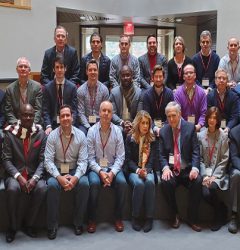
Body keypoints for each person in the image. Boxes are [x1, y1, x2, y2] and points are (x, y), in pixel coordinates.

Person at [2, 104, 47, 243]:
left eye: (31, 115)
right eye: (25, 115)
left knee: (41, 188)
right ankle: (13, 226)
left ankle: (29, 224)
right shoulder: (10, 133)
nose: (28, 117)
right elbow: (6, 159)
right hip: (15, 174)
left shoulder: (40, 133)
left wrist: (35, 178)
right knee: (12, 189)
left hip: (34, 173)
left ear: (34, 116)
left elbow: (43, 160)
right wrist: (18, 176)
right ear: (19, 117)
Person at [44, 105, 89, 239]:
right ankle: (52, 226)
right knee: (52, 186)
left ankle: (78, 223)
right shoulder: (52, 136)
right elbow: (48, 161)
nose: (65, 118)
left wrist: (75, 178)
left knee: (84, 184)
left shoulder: (81, 135)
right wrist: (59, 177)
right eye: (62, 116)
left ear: (72, 117)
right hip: (56, 170)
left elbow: (83, 161)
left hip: (74, 169)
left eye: (67, 115)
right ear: (59, 119)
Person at [159, 101, 202, 232]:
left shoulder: (190, 128)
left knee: (198, 181)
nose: (171, 119)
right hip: (172, 170)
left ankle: (192, 217)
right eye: (169, 116)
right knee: (165, 181)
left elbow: (196, 151)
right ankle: (175, 215)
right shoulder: (164, 130)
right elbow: (161, 155)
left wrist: (195, 168)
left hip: (187, 169)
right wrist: (165, 168)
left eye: (174, 115)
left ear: (180, 114)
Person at [87, 101, 127, 233]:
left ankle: (118, 217)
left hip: (112, 167)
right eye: (103, 110)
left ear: (112, 114)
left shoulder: (118, 131)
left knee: (122, 183)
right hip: (96, 167)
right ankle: (92, 218)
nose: (106, 113)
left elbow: (121, 157)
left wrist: (112, 173)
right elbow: (90, 158)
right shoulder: (91, 131)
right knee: (92, 183)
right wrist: (100, 172)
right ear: (99, 113)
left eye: (109, 111)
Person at [125, 110, 157, 232]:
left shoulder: (152, 139)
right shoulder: (130, 138)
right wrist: (138, 170)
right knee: (139, 184)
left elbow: (152, 159)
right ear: (138, 124)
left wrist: (147, 170)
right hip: (134, 171)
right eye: (142, 123)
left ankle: (149, 218)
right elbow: (128, 161)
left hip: (147, 169)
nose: (145, 126)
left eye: (147, 123)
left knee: (149, 182)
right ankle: (135, 216)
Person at [198, 107, 229, 231]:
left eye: (214, 118)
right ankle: (221, 208)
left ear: (218, 121)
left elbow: (224, 159)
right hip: (205, 172)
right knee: (205, 193)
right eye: (210, 117)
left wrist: (214, 176)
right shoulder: (200, 135)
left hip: (218, 173)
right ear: (207, 119)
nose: (211, 120)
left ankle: (218, 218)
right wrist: (205, 175)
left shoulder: (223, 136)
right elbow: (199, 158)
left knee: (211, 187)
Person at [43, 55, 78, 135]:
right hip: (53, 124)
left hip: (68, 121)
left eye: (61, 67)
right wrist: (48, 126)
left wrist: (71, 125)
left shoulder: (73, 88)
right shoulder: (47, 88)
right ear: (53, 69)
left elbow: (74, 110)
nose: (59, 70)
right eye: (57, 67)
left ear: (65, 69)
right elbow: (46, 111)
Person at [5, 57, 42, 125]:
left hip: (33, 123)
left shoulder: (37, 87)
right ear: (17, 70)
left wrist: (32, 124)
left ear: (29, 70)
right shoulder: (9, 89)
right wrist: (16, 123)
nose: (23, 69)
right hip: (16, 123)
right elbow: (8, 111)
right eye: (20, 66)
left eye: (25, 66)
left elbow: (38, 110)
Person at [77, 59, 109, 135]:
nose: (93, 72)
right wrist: (89, 127)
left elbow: (105, 112)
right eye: (90, 70)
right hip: (85, 124)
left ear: (98, 72)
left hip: (100, 123)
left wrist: (98, 126)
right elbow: (80, 113)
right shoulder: (80, 90)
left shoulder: (104, 90)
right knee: (81, 133)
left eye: (95, 70)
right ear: (86, 72)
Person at [109, 65, 143, 135]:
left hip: (134, 123)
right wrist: (122, 123)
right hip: (119, 124)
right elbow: (112, 113)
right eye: (123, 75)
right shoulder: (114, 92)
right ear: (120, 77)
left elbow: (139, 113)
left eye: (128, 75)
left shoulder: (139, 92)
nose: (125, 78)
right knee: (118, 131)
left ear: (132, 76)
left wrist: (132, 124)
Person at [174, 64, 207, 132]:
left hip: (198, 127)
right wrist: (186, 127)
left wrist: (199, 125)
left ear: (195, 75)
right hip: (182, 127)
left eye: (191, 73)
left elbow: (203, 113)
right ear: (183, 77)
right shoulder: (177, 93)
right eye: (186, 73)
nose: (189, 75)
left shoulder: (202, 93)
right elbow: (177, 113)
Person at [143, 65, 174, 137]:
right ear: (152, 78)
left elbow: (171, 113)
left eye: (160, 76)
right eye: (156, 76)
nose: (158, 79)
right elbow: (147, 115)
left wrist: (164, 128)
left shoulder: (170, 93)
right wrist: (155, 128)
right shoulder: (147, 95)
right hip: (151, 127)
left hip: (167, 126)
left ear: (163, 77)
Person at [207, 69, 240, 133]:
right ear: (215, 81)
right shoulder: (209, 96)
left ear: (227, 81)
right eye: (219, 78)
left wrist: (228, 128)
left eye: (224, 78)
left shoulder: (234, 96)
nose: (221, 80)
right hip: (214, 126)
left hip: (230, 127)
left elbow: (235, 116)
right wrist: (216, 128)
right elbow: (209, 114)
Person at [228, 123, 240, 234]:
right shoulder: (235, 132)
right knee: (236, 175)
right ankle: (234, 215)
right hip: (238, 166)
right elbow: (234, 156)